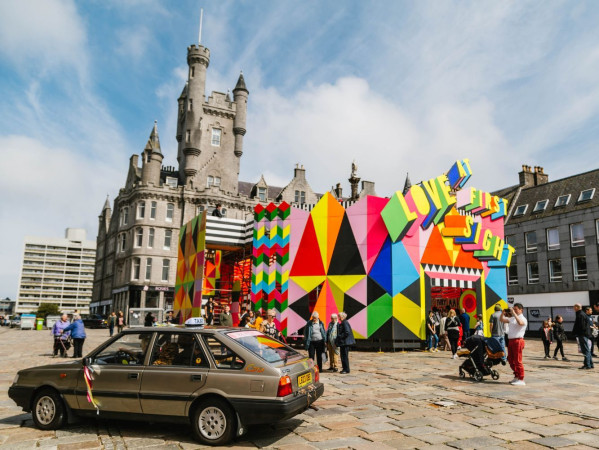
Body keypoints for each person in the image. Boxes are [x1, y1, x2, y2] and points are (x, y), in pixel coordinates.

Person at [500, 303, 527, 385]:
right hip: (511, 340)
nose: (514, 310)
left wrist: (514, 313)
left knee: (518, 360)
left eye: (516, 309)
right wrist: (503, 313)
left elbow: (521, 323)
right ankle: (516, 376)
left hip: (518, 340)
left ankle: (521, 378)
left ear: (521, 310)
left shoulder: (523, 318)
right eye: (513, 309)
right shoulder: (512, 318)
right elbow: (502, 320)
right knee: (511, 360)